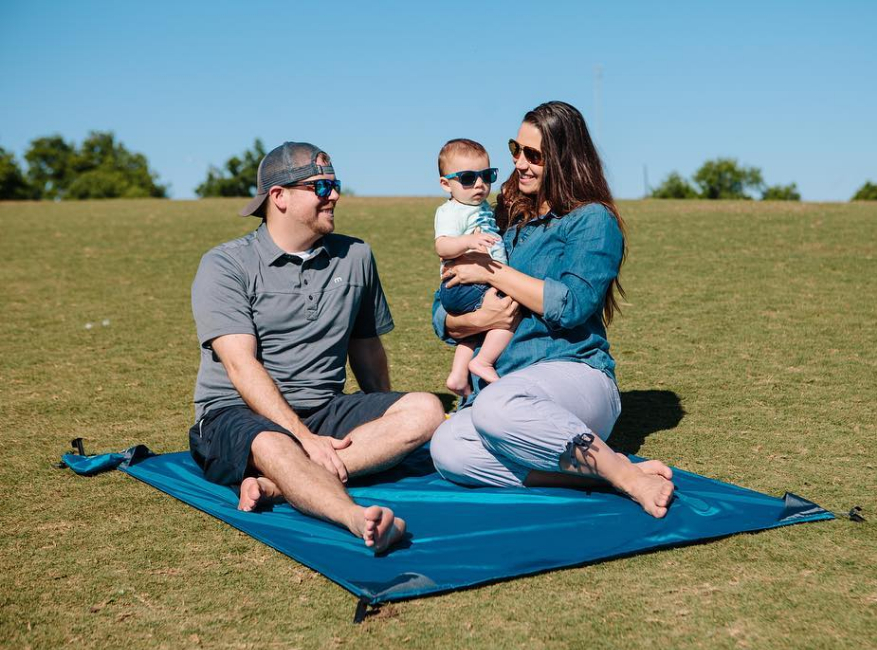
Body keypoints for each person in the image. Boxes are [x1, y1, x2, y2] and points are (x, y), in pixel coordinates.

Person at [189, 141, 444, 552]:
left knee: (427, 408)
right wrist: (303, 437)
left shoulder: (356, 255)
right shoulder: (225, 265)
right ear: (279, 197)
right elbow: (241, 368)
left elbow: (366, 346)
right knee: (274, 444)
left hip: (325, 407)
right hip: (234, 413)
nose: (336, 196)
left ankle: (277, 485)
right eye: (321, 188)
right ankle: (355, 518)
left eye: (335, 184)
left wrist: (387, 422)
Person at [429, 102, 676, 517]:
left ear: (563, 159)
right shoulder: (503, 219)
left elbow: (570, 305)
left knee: (495, 408)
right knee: (447, 448)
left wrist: (491, 273)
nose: (519, 163)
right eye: (516, 149)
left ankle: (625, 475)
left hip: (574, 372)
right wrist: (477, 320)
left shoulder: (592, 221)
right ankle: (595, 474)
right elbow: (442, 311)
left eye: (533, 155)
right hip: (507, 383)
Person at [433, 138, 514, 395]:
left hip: (473, 282)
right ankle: (483, 361)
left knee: (472, 332)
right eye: (467, 178)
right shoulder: (451, 212)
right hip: (466, 282)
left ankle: (458, 376)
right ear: (446, 184)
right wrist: (468, 241)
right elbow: (442, 247)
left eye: (486, 176)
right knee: (511, 309)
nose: (479, 184)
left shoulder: (477, 207)